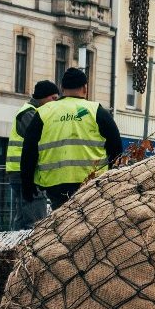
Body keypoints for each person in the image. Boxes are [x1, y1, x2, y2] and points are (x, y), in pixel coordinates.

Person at [19, 67, 122, 210]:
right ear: (85, 88)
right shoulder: (96, 111)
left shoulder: (44, 112)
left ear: (62, 88)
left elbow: (29, 151)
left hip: (55, 184)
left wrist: (27, 183)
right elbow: (116, 148)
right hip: (92, 183)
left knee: (62, 223)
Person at [7, 80, 59, 229]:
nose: (55, 103)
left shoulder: (29, 111)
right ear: (42, 97)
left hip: (19, 172)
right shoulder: (31, 114)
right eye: (53, 98)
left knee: (23, 219)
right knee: (36, 223)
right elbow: (41, 140)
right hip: (28, 174)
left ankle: (13, 249)